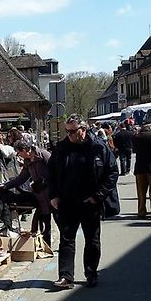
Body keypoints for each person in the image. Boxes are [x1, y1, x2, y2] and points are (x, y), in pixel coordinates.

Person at [48, 114, 118, 289]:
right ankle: (66, 277)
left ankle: (91, 273)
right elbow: (51, 174)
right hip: (67, 202)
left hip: (90, 202)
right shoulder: (61, 148)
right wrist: (53, 195)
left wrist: (98, 196)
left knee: (92, 240)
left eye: (72, 131)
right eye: (67, 131)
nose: (69, 135)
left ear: (83, 130)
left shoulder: (98, 147)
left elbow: (112, 173)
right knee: (66, 240)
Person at [0, 137, 52, 244]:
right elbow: (22, 178)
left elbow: (56, 171)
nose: (18, 155)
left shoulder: (43, 155)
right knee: (45, 221)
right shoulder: (27, 161)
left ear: (24, 150)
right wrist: (6, 186)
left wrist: (46, 183)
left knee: (59, 221)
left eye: (19, 152)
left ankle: (63, 245)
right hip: (40, 196)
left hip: (52, 194)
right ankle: (46, 246)